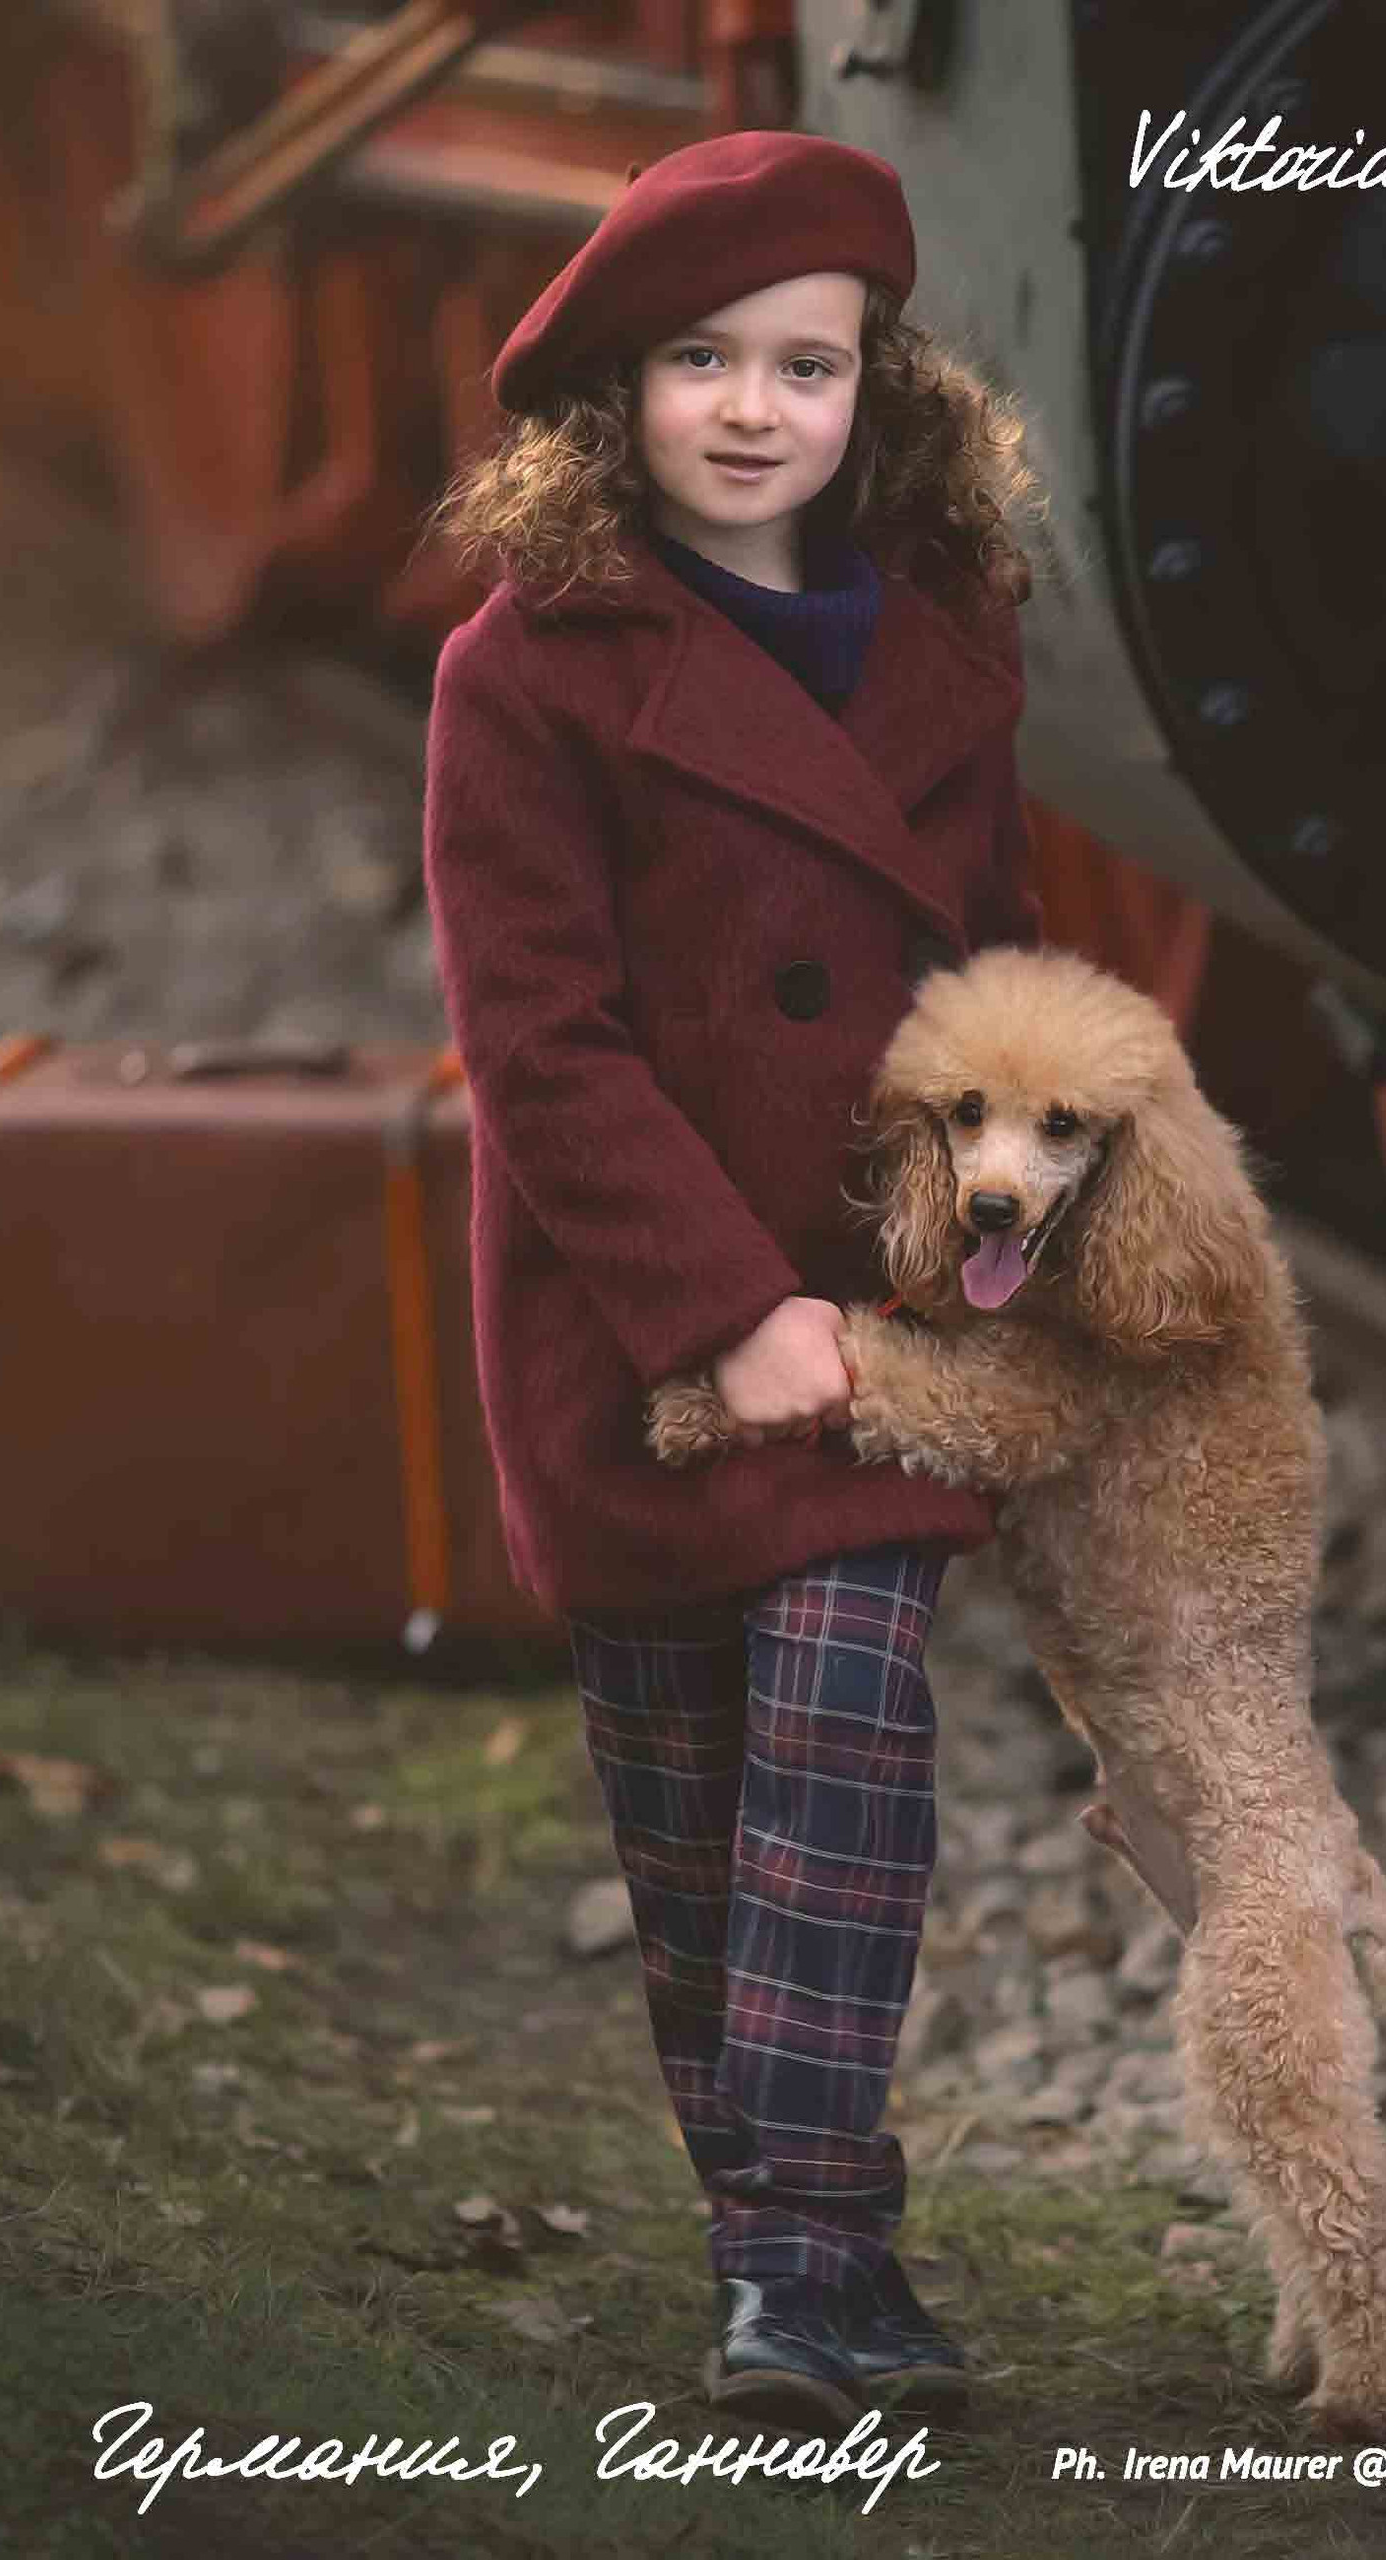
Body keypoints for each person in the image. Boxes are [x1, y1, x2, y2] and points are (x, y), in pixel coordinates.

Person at [422, 129, 1044, 2426]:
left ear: (876, 388)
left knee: (848, 1737)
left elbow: (997, 980)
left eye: (808, 361)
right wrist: (717, 1307)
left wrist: (1009, 1251)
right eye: (700, 360)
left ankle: (811, 2256)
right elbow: (539, 1042)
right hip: (633, 1333)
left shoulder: (943, 649)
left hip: (885, 1324)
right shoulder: (528, 668)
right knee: (689, 1815)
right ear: (617, 384)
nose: (755, 407)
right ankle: (760, 2228)